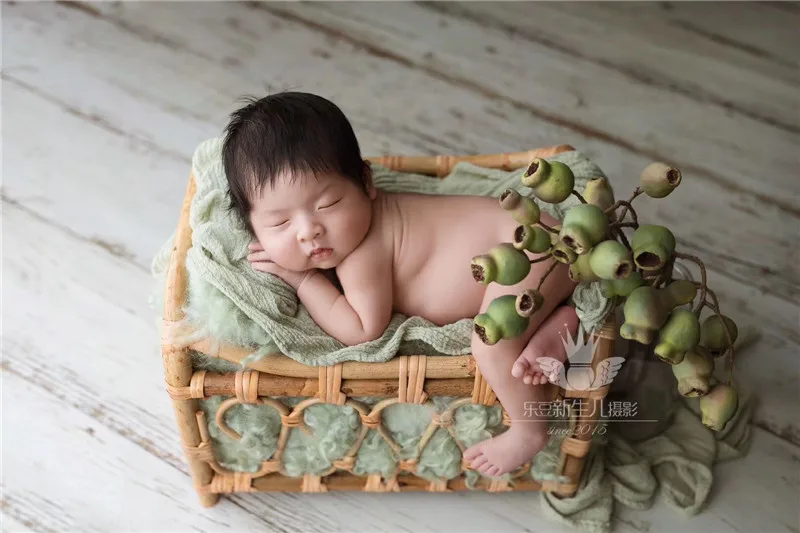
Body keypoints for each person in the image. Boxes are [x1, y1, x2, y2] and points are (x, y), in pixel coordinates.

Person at [222, 91, 579, 477]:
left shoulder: (363, 252)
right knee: (512, 321)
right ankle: (561, 321)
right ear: (252, 228)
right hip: (539, 246)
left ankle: (529, 431)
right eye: (279, 224)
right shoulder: (351, 230)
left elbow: (361, 329)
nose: (310, 231)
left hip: (524, 251)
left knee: (490, 345)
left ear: (366, 184)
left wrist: (303, 278)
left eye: (327, 205)